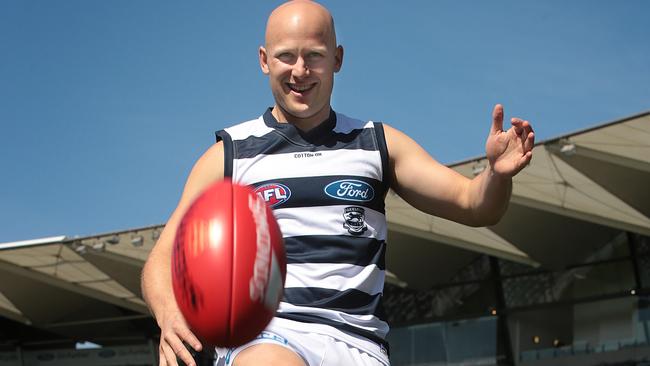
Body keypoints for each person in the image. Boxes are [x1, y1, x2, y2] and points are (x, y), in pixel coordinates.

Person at [140, 1, 535, 365]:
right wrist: (168, 311)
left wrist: (496, 176)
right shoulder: (228, 154)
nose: (299, 70)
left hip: (358, 346)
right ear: (264, 60)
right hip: (268, 337)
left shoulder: (379, 143)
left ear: (338, 59)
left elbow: (473, 204)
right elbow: (161, 258)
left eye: (314, 56)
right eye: (285, 56)